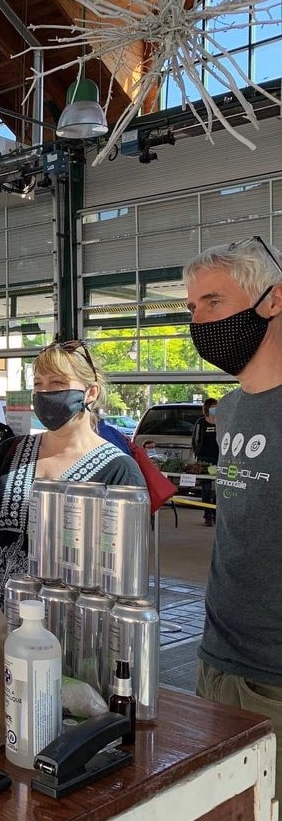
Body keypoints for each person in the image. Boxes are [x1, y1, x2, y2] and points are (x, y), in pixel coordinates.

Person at [184, 235, 282, 804]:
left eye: (213, 303)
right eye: (193, 308)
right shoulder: (233, 408)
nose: (199, 321)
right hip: (216, 663)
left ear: (273, 301)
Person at [0, 339, 145, 611]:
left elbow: (123, 566)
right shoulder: (9, 453)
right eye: (38, 384)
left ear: (90, 393)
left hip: (71, 626)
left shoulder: (118, 470)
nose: (45, 392)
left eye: (57, 383)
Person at [191, 397, 219, 525]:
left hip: (219, 459)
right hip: (204, 459)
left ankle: (215, 512)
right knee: (206, 488)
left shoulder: (222, 422)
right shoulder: (201, 422)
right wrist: (197, 454)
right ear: (207, 409)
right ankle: (207, 515)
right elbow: (195, 440)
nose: (215, 409)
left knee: (218, 488)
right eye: (212, 407)